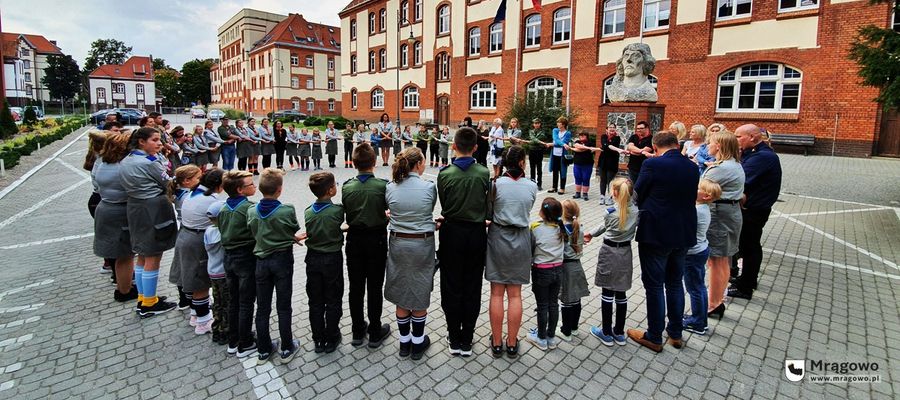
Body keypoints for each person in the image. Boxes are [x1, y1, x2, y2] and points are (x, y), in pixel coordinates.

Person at [627, 130, 699, 352]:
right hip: (684, 231)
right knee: (675, 283)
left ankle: (654, 335)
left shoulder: (653, 165)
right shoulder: (692, 166)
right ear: (677, 145)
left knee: (655, 285)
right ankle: (676, 333)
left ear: (656, 148)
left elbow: (637, 192)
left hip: (657, 231)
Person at [437, 127, 491, 357]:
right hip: (476, 233)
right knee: (472, 284)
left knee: (451, 284)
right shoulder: (484, 173)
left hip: (451, 232)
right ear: (476, 148)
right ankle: (467, 338)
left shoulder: (445, 174)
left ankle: (453, 336)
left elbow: (444, 201)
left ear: (454, 146)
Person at [119, 127, 179, 317]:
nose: (159, 143)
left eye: (159, 139)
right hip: (152, 207)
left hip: (136, 206)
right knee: (153, 255)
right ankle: (149, 304)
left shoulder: (127, 159)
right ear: (141, 142)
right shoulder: (148, 162)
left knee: (143, 254)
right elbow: (168, 182)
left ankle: (143, 298)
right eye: (154, 140)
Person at [484, 146, 538, 359]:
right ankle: (512, 342)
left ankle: (497, 343)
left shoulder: (495, 185)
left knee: (496, 292)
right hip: (521, 237)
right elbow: (529, 207)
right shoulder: (532, 186)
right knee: (515, 294)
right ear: (523, 162)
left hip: (498, 236)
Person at [247, 168, 305, 365]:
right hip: (281, 260)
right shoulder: (286, 209)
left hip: (261, 260)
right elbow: (290, 227)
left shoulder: (251, 210)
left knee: (262, 307)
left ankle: (263, 349)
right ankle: (287, 346)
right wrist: (292, 237)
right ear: (279, 190)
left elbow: (255, 230)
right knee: (283, 305)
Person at [384, 147, 437, 360]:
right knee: (419, 289)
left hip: (398, 243)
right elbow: (428, 210)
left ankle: (404, 343)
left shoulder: (390, 187)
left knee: (401, 290)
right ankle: (418, 343)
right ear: (418, 164)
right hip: (421, 245)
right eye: (423, 161)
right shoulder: (429, 187)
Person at [341, 143, 392, 349]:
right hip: (376, 239)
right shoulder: (382, 185)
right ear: (374, 162)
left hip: (354, 239)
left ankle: (357, 330)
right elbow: (387, 209)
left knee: (355, 286)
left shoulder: (346, 186)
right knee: (374, 285)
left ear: (354, 163)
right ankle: (375, 331)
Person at [728, 124, 781, 300]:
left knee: (749, 246)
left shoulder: (762, 157)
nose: (736, 140)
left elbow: (740, 179)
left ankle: (746, 286)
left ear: (752, 137)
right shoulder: (755, 153)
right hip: (751, 207)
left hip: (753, 209)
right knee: (747, 245)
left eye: (738, 137)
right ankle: (746, 279)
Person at [585, 177, 639, 346]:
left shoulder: (609, 212)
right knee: (621, 293)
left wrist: (590, 234)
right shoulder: (637, 212)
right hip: (625, 252)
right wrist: (592, 233)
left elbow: (605, 225)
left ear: (615, 193)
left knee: (607, 292)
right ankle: (619, 332)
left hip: (609, 251)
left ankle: (606, 332)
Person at [174, 169, 225, 335]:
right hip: (197, 240)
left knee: (191, 275)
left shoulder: (193, 194)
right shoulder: (210, 200)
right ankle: (203, 322)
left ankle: (196, 313)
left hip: (186, 236)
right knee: (200, 281)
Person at [702, 131, 745, 320]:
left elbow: (700, 188)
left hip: (720, 215)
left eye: (710, 143)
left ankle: (714, 304)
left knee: (717, 260)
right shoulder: (732, 165)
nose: (707, 146)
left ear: (719, 146)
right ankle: (717, 300)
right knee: (722, 259)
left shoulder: (721, 168)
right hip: (729, 213)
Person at [92, 132, 137, 301]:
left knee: (118, 253)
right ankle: (125, 291)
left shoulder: (102, 162)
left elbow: (95, 185)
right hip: (120, 210)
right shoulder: (123, 166)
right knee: (125, 254)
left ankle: (122, 285)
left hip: (105, 206)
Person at [303, 172, 346, 353]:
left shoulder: (308, 211)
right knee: (333, 298)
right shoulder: (337, 211)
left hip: (312, 258)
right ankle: (332, 336)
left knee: (315, 300)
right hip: (332, 258)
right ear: (330, 190)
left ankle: (318, 338)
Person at [218, 171, 259, 358]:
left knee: (234, 299)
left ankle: (233, 339)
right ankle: (246, 342)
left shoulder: (224, 208)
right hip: (245, 257)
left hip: (228, 257)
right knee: (246, 300)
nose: (255, 187)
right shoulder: (249, 209)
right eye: (251, 185)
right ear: (240, 190)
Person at [527, 197, 567, 351]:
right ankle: (551, 337)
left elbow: (530, 248)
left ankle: (541, 338)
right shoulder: (561, 228)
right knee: (553, 304)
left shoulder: (535, 227)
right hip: (558, 270)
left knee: (542, 305)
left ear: (543, 213)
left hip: (541, 270)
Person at [683, 179, 721, 335]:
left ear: (706, 196)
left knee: (695, 288)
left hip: (693, 254)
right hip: (701, 250)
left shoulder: (698, 211)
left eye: (699, 188)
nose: (695, 188)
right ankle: (700, 318)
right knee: (698, 286)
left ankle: (698, 323)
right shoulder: (702, 208)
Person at [169, 165, 203, 310]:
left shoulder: (181, 192)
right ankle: (189, 299)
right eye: (198, 178)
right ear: (187, 181)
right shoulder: (187, 197)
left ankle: (185, 298)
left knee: (183, 265)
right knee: (190, 267)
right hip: (188, 231)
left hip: (183, 232)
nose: (201, 181)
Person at [85, 130, 117, 277]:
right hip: (101, 200)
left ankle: (114, 270)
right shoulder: (103, 163)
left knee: (110, 237)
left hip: (99, 199)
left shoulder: (100, 160)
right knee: (113, 240)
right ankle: (114, 271)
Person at [558, 199, 590, 342]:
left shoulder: (562, 230)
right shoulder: (580, 229)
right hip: (578, 266)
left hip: (566, 267)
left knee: (566, 299)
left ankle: (565, 331)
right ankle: (574, 327)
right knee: (576, 299)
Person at [204, 200, 229, 345]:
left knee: (217, 302)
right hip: (223, 273)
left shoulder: (208, 231)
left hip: (213, 272)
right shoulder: (222, 234)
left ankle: (217, 329)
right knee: (227, 303)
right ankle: (226, 330)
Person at [598, 124, 625, 205]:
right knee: (603, 180)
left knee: (610, 181)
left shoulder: (617, 138)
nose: (612, 129)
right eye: (610, 127)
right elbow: (604, 145)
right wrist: (608, 146)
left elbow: (607, 146)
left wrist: (607, 146)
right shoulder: (603, 136)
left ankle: (610, 197)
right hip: (603, 162)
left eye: (613, 128)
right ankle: (602, 196)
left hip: (612, 162)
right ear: (607, 129)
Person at [570, 131, 600, 201]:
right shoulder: (577, 141)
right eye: (580, 136)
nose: (581, 137)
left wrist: (580, 148)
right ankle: (577, 193)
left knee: (586, 178)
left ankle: (585, 194)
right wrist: (588, 148)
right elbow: (577, 146)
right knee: (577, 177)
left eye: (583, 136)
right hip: (577, 163)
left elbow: (580, 150)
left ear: (587, 136)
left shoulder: (590, 143)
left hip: (587, 164)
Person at [548, 117, 572, 195]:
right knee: (555, 171)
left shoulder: (568, 133)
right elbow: (556, 139)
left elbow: (560, 142)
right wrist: (563, 144)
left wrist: (554, 144)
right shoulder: (555, 130)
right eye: (557, 122)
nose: (558, 124)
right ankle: (554, 187)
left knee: (563, 171)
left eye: (559, 123)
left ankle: (562, 188)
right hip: (554, 154)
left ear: (564, 124)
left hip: (562, 155)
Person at [527, 118, 548, 189]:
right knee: (532, 168)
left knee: (539, 168)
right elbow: (532, 138)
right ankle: (532, 183)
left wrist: (535, 141)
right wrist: (539, 142)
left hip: (539, 151)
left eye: (538, 123)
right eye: (535, 123)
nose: (536, 125)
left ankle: (539, 184)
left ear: (540, 124)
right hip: (532, 151)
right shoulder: (531, 131)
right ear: (533, 124)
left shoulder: (542, 132)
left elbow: (534, 140)